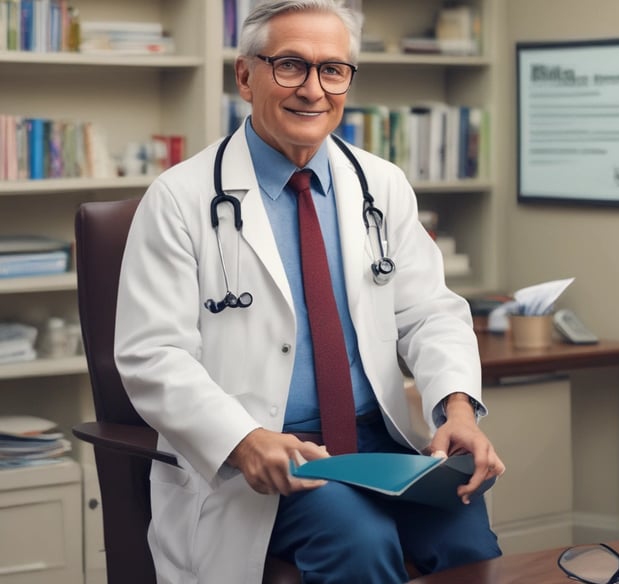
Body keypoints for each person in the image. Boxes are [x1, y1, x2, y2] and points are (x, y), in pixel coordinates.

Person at [114, 0, 505, 582]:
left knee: (465, 527)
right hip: (270, 452)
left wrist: (458, 411)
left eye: (332, 69)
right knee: (357, 536)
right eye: (290, 65)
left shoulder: (381, 184)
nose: (313, 89)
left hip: (378, 444)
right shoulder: (179, 199)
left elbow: (430, 313)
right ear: (245, 76)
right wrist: (244, 440)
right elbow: (152, 355)